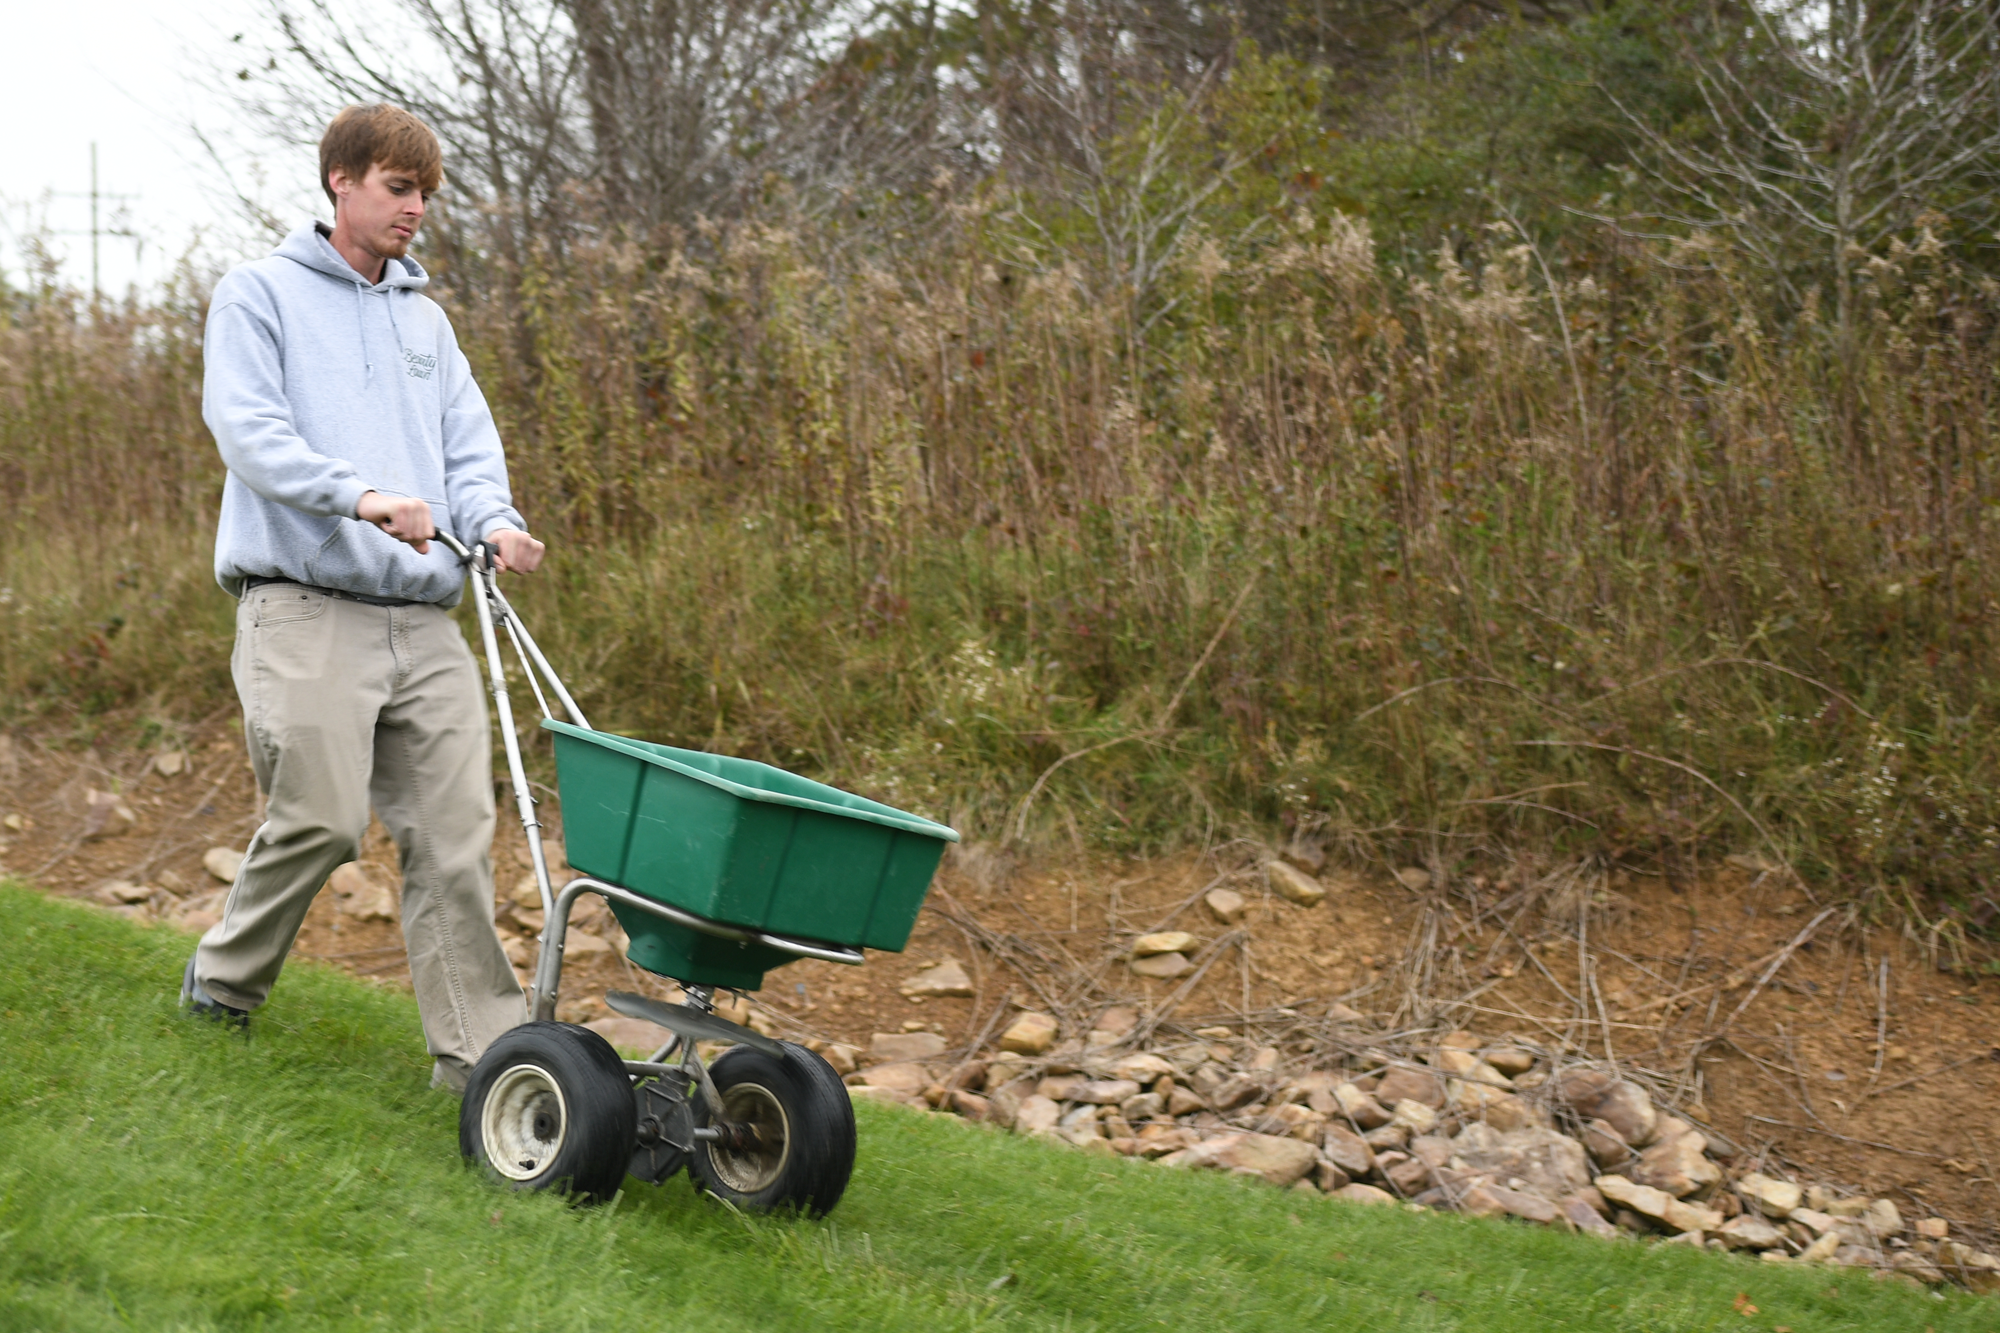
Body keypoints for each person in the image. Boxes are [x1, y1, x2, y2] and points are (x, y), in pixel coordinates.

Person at [183, 103, 539, 1093]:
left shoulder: (426, 321)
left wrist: (497, 521)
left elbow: (466, 449)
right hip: (302, 604)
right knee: (320, 819)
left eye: (424, 191)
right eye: (396, 187)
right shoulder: (256, 295)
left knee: (455, 839)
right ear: (341, 180)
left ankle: (480, 1067)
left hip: (425, 619)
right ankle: (222, 983)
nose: (414, 208)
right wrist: (361, 496)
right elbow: (248, 431)